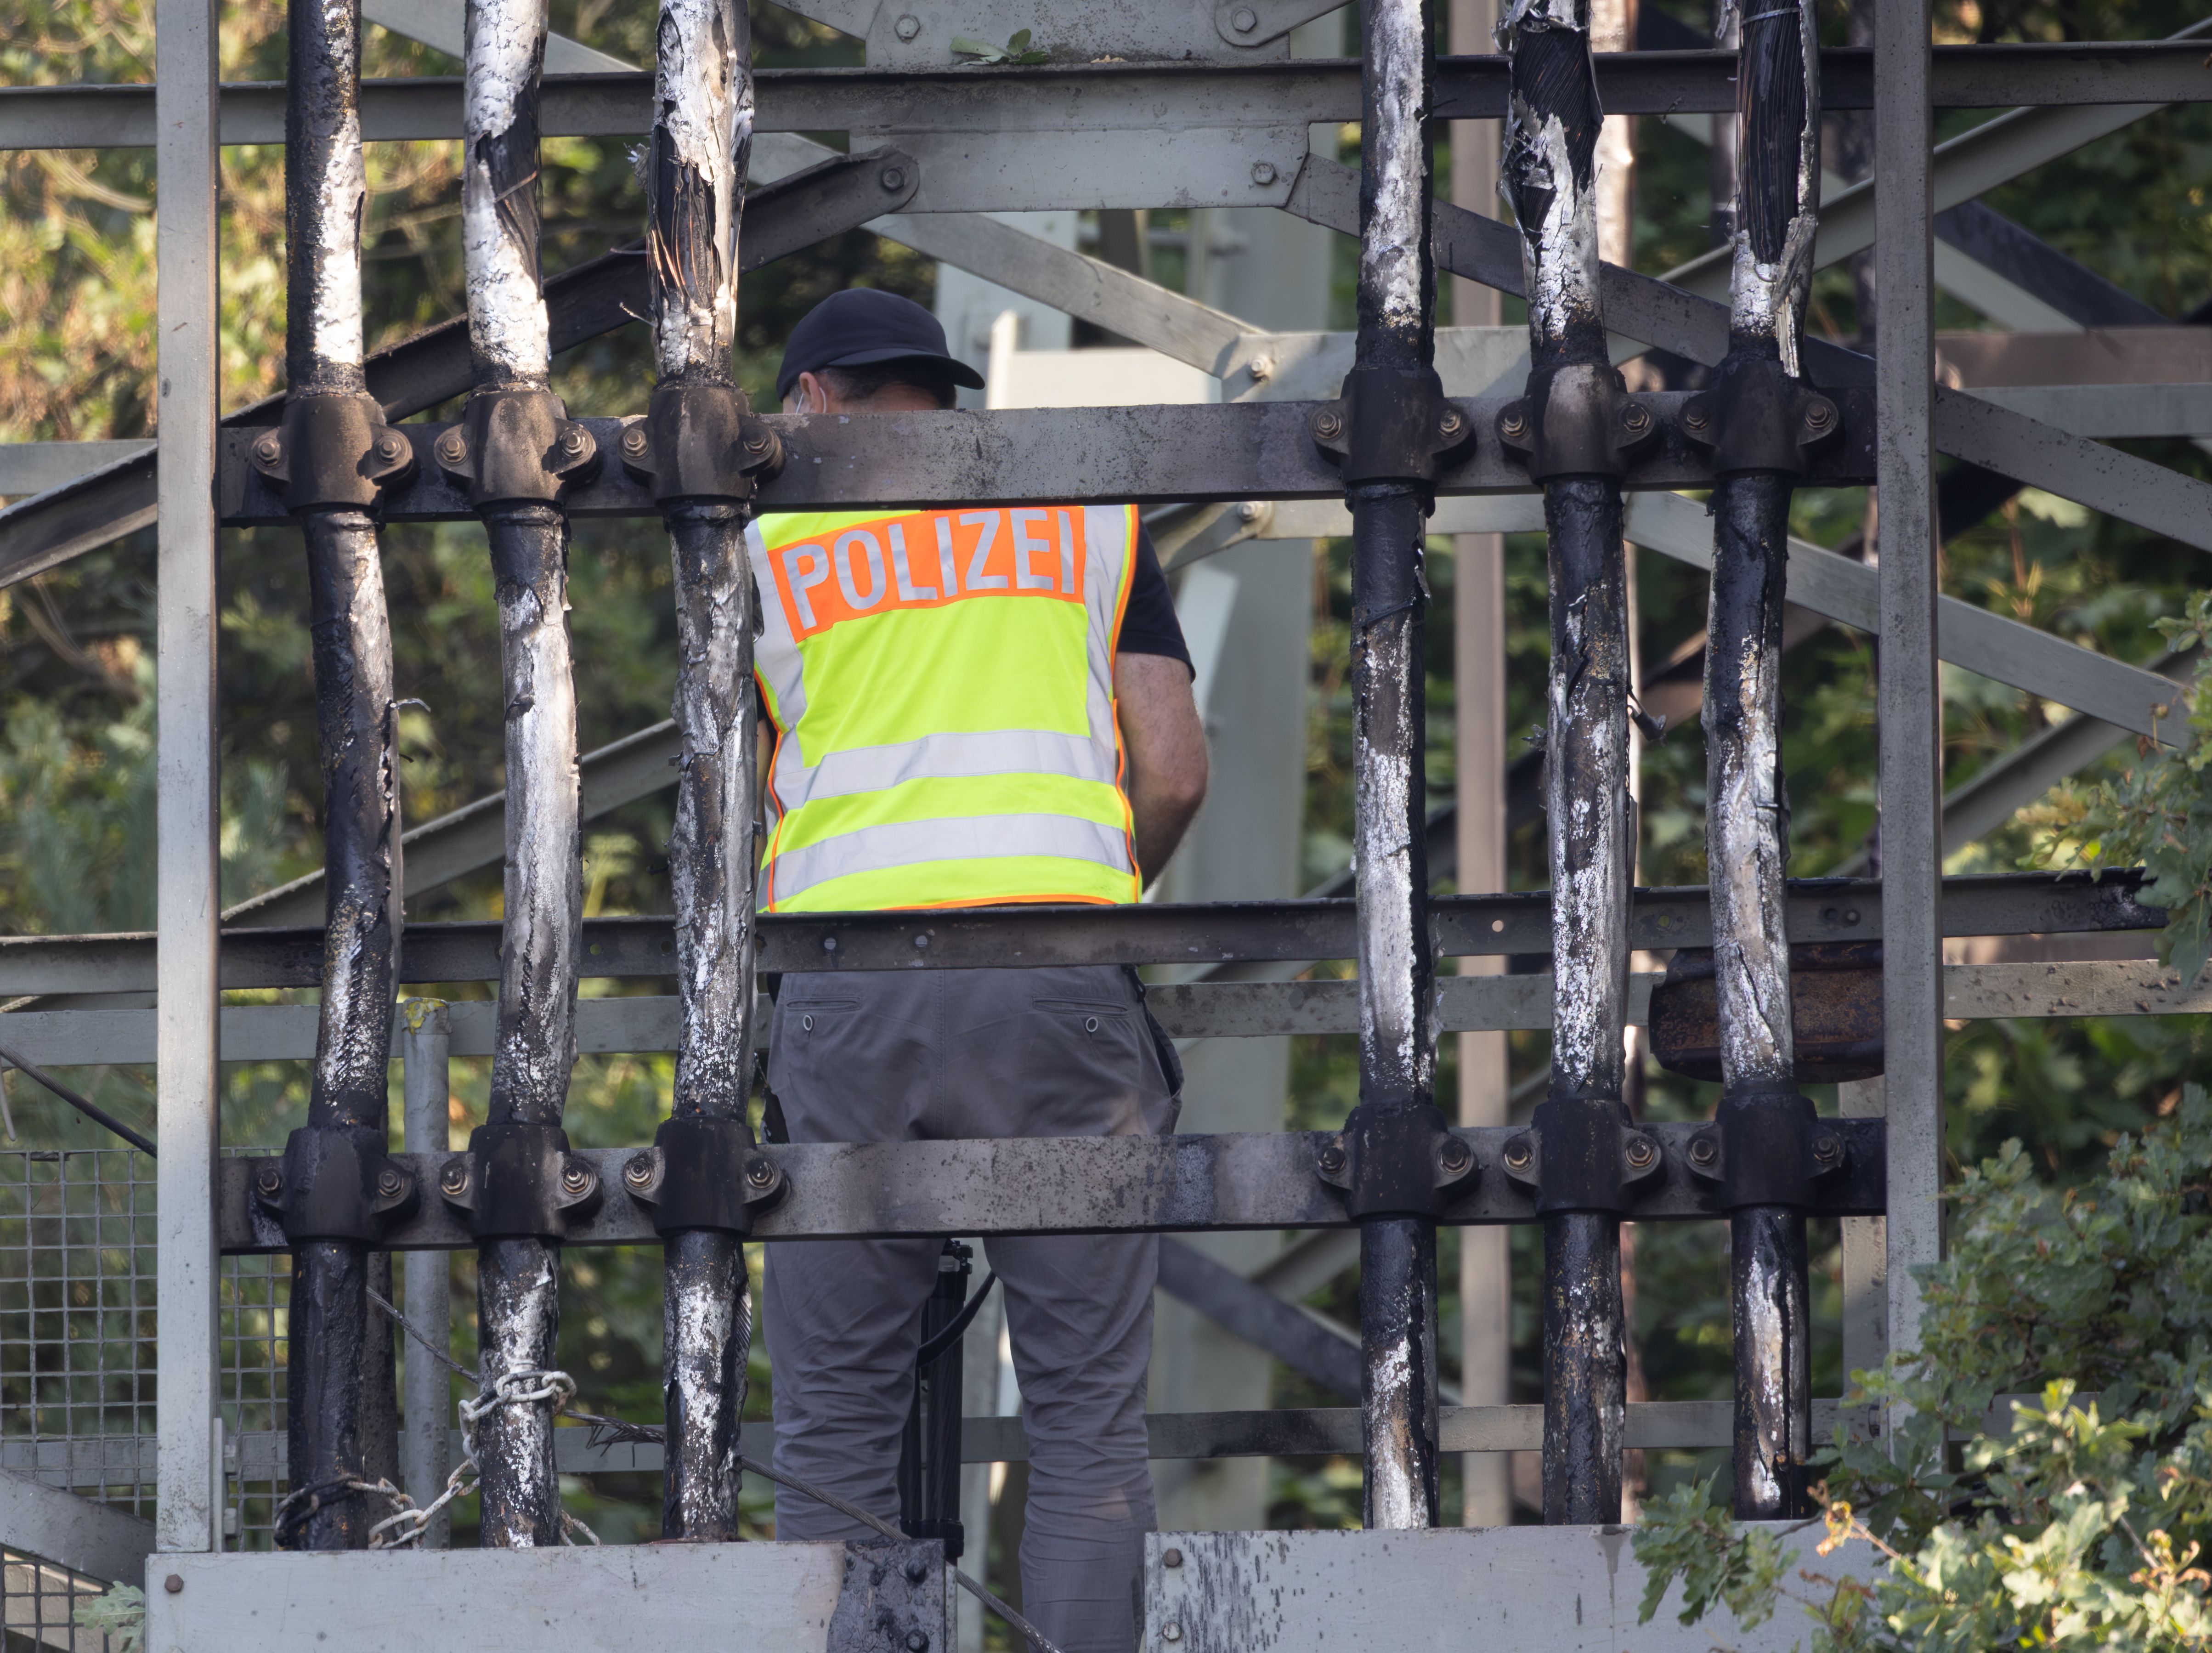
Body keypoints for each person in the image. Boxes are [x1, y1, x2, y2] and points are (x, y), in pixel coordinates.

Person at [749, 288, 1209, 1653]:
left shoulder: (762, 548)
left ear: (817, 398)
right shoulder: (1085, 520)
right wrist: (1087, 907)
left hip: (844, 993)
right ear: (933, 397)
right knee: (1087, 1429)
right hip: (1059, 982)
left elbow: (720, 804)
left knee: (832, 1434)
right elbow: (1174, 765)